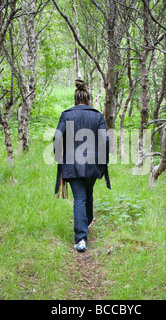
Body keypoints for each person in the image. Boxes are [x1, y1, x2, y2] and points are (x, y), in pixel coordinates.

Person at [54, 79, 111, 252]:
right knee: (87, 193)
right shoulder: (97, 115)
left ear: (75, 98)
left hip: (72, 164)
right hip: (93, 164)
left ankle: (81, 238)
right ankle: (85, 225)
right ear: (87, 99)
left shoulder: (67, 114)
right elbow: (106, 140)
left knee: (80, 197)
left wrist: (59, 159)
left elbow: (57, 137)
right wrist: (103, 160)